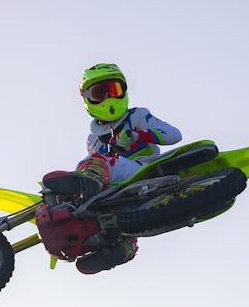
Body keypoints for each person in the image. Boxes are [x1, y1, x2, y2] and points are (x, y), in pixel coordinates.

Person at [43, 63, 183, 274]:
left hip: (142, 169)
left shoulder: (136, 116)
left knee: (94, 162)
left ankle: (88, 180)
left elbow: (174, 134)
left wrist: (140, 135)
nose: (108, 98)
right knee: (112, 214)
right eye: (100, 93)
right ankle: (118, 249)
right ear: (88, 99)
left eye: (114, 91)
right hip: (118, 187)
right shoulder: (93, 139)